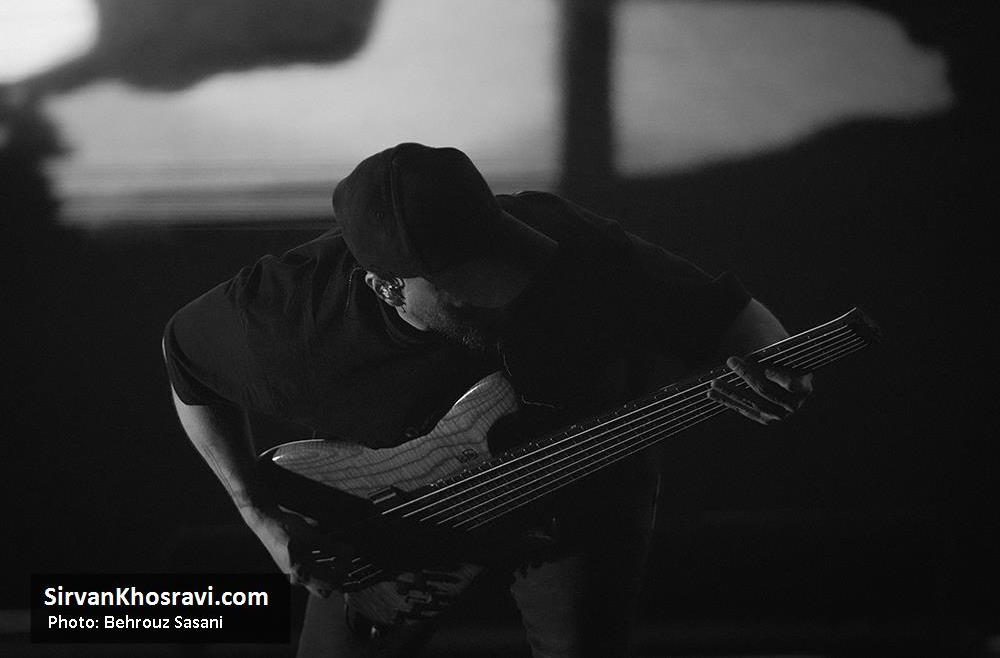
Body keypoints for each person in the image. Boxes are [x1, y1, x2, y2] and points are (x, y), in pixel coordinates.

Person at [162, 142, 812, 657]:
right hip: (391, 518)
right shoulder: (281, 319)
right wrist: (258, 514)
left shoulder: (564, 238)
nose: (505, 295)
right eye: (466, 289)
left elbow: (729, 313)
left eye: (499, 258)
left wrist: (781, 365)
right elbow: (183, 361)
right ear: (388, 288)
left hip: (576, 494)